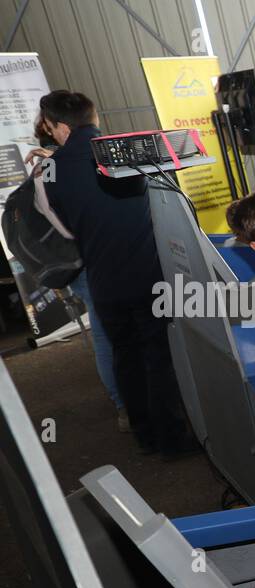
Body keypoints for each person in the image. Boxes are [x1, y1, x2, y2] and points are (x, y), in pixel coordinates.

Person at [41, 90, 195, 458]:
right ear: (93, 119)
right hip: (147, 274)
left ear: (62, 127)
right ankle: (172, 440)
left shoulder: (52, 170)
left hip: (103, 280)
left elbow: (63, 224)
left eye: (50, 128)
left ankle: (143, 435)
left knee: (125, 356)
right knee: (159, 357)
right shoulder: (127, 150)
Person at [28, 113, 126, 433]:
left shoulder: (55, 161)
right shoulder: (51, 164)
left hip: (90, 260)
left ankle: (127, 400)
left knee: (110, 331)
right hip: (85, 262)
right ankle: (124, 404)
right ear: (56, 130)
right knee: (106, 333)